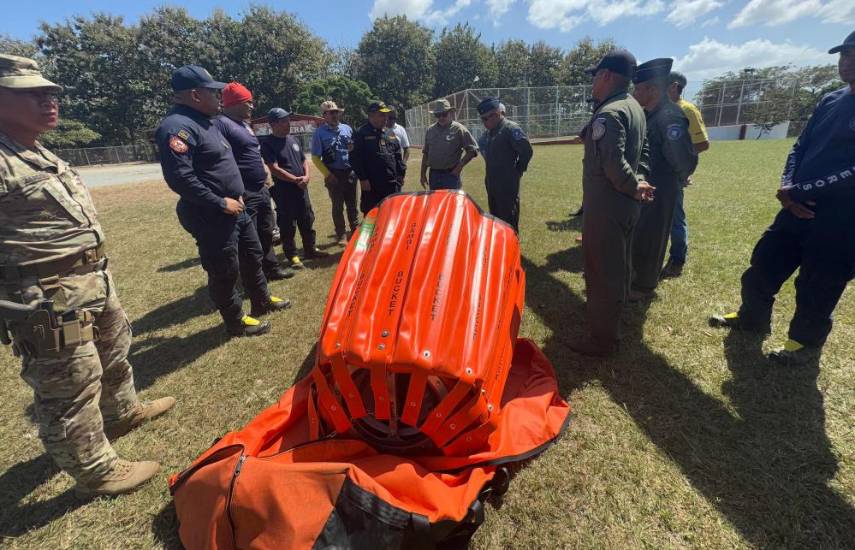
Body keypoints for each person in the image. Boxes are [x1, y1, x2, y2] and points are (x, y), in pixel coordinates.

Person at [0, 53, 175, 497]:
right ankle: (96, 471)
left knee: (114, 351)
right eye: (32, 94)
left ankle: (123, 411)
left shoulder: (35, 149)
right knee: (69, 386)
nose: (48, 101)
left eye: (51, 92)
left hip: (89, 281)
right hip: (45, 296)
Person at [709, 31, 855, 365]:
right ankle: (752, 319)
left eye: (853, 54)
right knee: (763, 264)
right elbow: (799, 146)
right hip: (794, 208)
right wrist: (788, 187)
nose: (846, 61)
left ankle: (803, 345)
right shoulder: (831, 99)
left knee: (819, 284)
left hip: (841, 220)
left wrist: (802, 191)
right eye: (843, 54)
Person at [156, 65, 289, 338]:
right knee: (225, 269)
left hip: (237, 207)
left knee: (253, 255)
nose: (219, 97)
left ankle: (261, 300)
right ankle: (236, 320)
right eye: (213, 92)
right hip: (211, 213)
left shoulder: (206, 121)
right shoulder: (177, 127)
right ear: (195, 94)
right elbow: (180, 178)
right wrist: (219, 202)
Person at [570, 50, 654, 357]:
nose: (592, 82)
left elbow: (613, 163)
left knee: (602, 271)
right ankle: (614, 316)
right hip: (626, 204)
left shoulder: (610, 114)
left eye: (595, 75)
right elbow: (643, 153)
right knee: (619, 265)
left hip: (607, 205)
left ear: (606, 76)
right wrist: (639, 183)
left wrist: (632, 185)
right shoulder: (633, 107)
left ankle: (602, 339)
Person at [629, 59, 698, 300]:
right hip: (649, 184)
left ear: (652, 90)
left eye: (638, 89)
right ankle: (637, 278)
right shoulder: (652, 114)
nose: (635, 93)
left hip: (661, 186)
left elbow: (682, 158)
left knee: (652, 235)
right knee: (642, 233)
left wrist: (677, 181)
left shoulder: (669, 116)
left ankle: (644, 286)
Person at [213, 82, 293, 281]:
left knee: (267, 232)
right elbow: (221, 159)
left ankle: (272, 269)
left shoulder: (244, 125)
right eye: (247, 102)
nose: (251, 106)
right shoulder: (221, 124)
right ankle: (255, 278)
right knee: (251, 239)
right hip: (245, 191)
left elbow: (253, 154)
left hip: (261, 188)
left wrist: (264, 175)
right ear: (234, 103)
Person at [261, 108, 328, 268]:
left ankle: (310, 249)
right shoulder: (268, 143)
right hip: (284, 191)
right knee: (287, 224)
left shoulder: (293, 139)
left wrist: (306, 176)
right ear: (274, 124)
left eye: (288, 120)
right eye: (284, 121)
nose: (288, 124)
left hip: (301, 188)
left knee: (307, 219)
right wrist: (295, 180)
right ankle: (292, 255)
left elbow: (304, 160)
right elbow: (274, 168)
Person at [661, 70, 711, 279]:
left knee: (675, 217)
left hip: (672, 175)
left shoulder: (687, 110)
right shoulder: (661, 109)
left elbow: (702, 144)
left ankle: (677, 259)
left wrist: (681, 165)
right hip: (657, 173)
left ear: (673, 86)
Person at [477, 98, 533, 232]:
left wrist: (518, 171)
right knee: (495, 217)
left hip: (507, 183)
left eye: (485, 119)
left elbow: (526, 151)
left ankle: (512, 248)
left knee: (508, 218)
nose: (483, 123)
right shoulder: (488, 134)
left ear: (496, 114)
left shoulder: (510, 129)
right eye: (482, 119)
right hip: (492, 182)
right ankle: (499, 247)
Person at [310, 100, 359, 246]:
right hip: (333, 174)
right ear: (324, 115)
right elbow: (315, 157)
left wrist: (353, 150)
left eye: (336, 112)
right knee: (337, 206)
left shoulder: (347, 129)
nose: (334, 115)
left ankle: (355, 231)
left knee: (352, 204)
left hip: (349, 171)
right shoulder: (319, 133)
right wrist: (327, 175)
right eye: (331, 113)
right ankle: (341, 235)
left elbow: (354, 149)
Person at [351, 101, 406, 214]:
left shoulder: (389, 133)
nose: (386, 117)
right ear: (371, 116)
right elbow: (354, 158)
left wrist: (401, 175)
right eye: (382, 114)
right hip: (372, 185)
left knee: (392, 214)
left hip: (391, 184)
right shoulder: (361, 133)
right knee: (372, 216)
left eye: (386, 114)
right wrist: (363, 178)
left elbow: (397, 155)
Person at [420, 98, 478, 191]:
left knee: (452, 203)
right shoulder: (430, 130)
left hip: (451, 175)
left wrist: (460, 166)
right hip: (434, 175)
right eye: (438, 115)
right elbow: (426, 154)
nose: (441, 117)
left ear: (450, 113)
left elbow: (473, 150)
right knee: (436, 203)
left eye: (444, 114)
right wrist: (422, 174)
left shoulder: (459, 129)